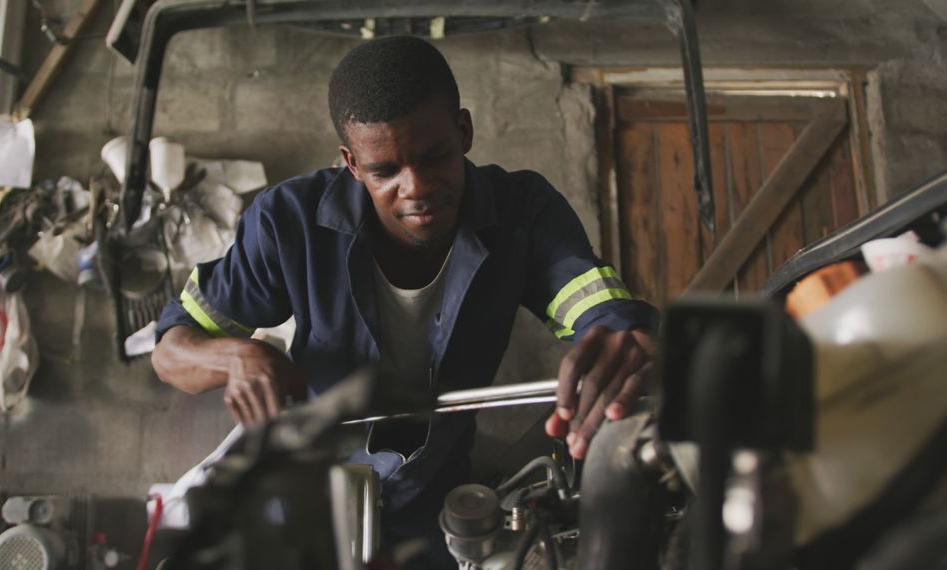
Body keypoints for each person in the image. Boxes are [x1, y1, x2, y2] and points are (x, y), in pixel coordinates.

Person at [151, 35, 657, 567]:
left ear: (463, 131)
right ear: (351, 162)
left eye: (434, 156)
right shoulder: (288, 222)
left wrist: (626, 348)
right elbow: (170, 348)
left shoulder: (523, 214)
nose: (414, 188)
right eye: (384, 172)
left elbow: (614, 320)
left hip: (433, 493)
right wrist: (237, 357)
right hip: (305, 480)